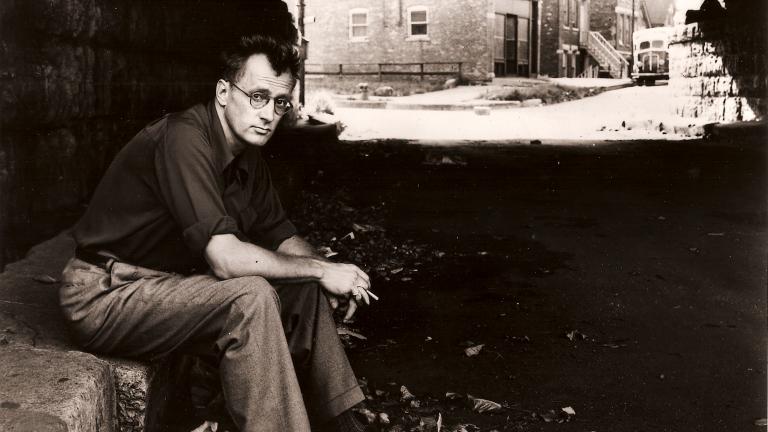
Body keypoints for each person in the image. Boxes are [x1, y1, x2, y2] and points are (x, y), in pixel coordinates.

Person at [58, 29, 372, 432]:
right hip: (105, 294)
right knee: (251, 296)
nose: (267, 114)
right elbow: (224, 260)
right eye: (257, 96)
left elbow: (281, 236)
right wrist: (320, 269)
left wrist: (326, 270)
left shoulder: (247, 154)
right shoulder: (183, 138)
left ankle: (341, 421)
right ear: (224, 92)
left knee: (305, 289)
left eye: (280, 103)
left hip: (164, 287)